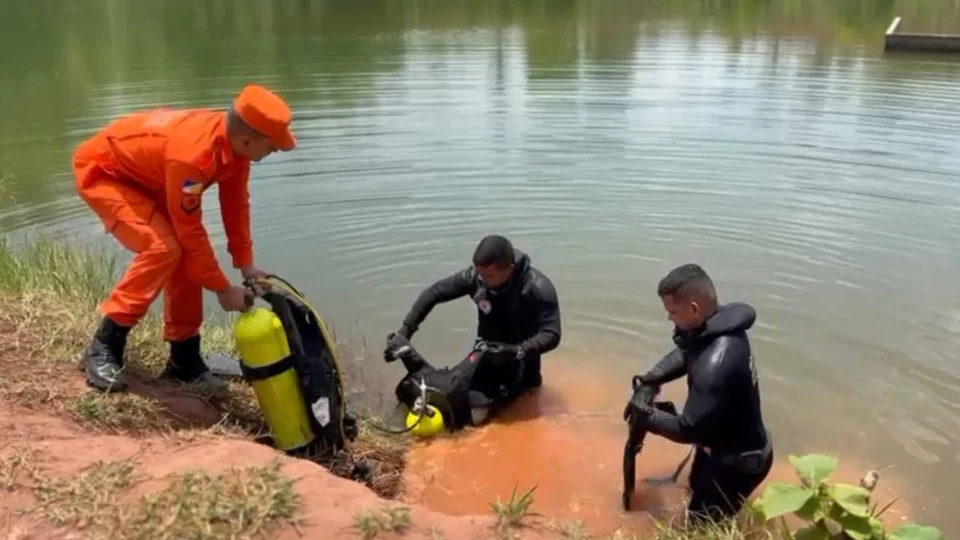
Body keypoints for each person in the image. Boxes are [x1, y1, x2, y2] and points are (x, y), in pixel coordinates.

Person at [71, 84, 297, 393]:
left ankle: (184, 360)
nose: (272, 153)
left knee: (188, 257)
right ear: (247, 140)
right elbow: (190, 230)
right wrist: (221, 288)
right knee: (164, 248)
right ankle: (104, 344)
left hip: (154, 178)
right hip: (106, 175)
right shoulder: (193, 159)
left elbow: (236, 205)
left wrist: (246, 265)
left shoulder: (235, 149)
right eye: (271, 148)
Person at [623, 263, 772, 524]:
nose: (669, 318)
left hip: (738, 465)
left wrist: (644, 416)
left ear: (694, 309)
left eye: (672, 312)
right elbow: (685, 353)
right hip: (716, 447)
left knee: (696, 527)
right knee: (693, 486)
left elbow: (688, 429)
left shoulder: (716, 362)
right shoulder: (715, 328)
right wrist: (650, 379)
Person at [385, 235, 561, 406]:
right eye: (480, 274)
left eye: (489, 277)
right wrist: (405, 332)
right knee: (464, 401)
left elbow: (551, 334)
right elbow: (433, 294)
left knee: (525, 405)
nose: (482, 281)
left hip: (522, 357)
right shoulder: (474, 277)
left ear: (510, 269)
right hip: (484, 353)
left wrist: (517, 351)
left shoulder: (538, 288)